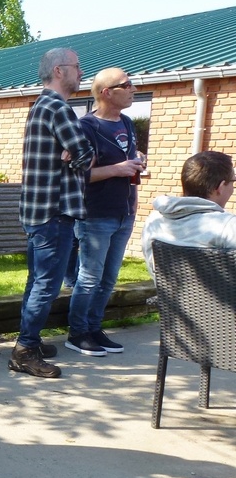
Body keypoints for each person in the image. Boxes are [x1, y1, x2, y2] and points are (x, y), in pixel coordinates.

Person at [9, 47, 95, 379]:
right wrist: (75, 155)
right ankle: (25, 351)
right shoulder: (59, 108)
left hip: (36, 211)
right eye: (77, 66)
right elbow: (85, 156)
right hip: (55, 211)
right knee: (46, 285)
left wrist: (70, 154)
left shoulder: (39, 105)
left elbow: (74, 153)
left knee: (37, 281)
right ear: (59, 70)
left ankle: (28, 340)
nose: (81, 72)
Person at [66, 68, 145, 357]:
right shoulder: (86, 127)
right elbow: (80, 175)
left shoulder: (126, 122)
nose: (134, 89)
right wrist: (118, 169)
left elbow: (125, 162)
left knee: (109, 278)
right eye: (127, 85)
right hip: (96, 214)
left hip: (125, 212)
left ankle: (94, 328)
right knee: (89, 277)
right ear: (107, 93)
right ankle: (77, 333)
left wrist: (136, 161)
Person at [142, 150, 236, 278]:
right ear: (220, 186)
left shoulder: (154, 220)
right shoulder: (229, 226)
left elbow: (154, 271)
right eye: (233, 181)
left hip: (169, 291)